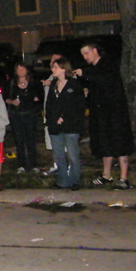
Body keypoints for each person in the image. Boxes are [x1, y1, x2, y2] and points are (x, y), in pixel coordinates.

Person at [74, 42, 135, 189]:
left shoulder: (108, 65)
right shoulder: (94, 69)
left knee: (119, 142)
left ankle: (123, 177)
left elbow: (105, 80)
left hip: (115, 112)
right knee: (104, 141)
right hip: (100, 112)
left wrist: (85, 74)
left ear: (95, 51)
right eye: (83, 54)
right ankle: (106, 175)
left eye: (87, 53)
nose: (85, 57)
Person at [46, 58, 86, 190]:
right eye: (52, 67)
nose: (53, 70)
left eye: (56, 67)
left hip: (71, 126)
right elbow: (49, 105)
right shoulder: (53, 85)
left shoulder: (74, 85)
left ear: (64, 69)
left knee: (73, 154)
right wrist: (53, 118)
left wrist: (65, 117)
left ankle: (75, 180)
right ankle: (63, 181)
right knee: (59, 155)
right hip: (55, 126)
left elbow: (79, 106)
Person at [6, 63, 42, 174]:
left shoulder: (33, 82)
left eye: (23, 69)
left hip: (30, 114)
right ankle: (21, 164)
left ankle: (33, 164)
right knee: (19, 140)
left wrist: (36, 98)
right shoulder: (11, 83)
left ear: (27, 70)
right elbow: (5, 98)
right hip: (16, 115)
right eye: (18, 69)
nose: (21, 71)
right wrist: (12, 102)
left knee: (31, 139)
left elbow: (41, 95)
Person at [41, 53, 64, 176]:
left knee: (64, 143)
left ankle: (66, 166)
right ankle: (56, 165)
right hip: (50, 115)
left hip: (61, 117)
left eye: (56, 60)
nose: (52, 62)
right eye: (52, 60)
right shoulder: (51, 76)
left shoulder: (66, 78)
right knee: (53, 141)